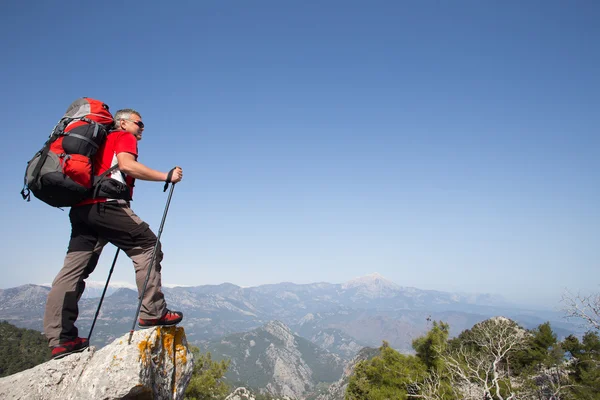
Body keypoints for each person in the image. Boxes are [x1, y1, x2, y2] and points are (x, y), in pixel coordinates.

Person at [43, 108, 184, 358]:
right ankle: (153, 312)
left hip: (82, 210)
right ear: (122, 122)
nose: (142, 128)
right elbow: (128, 166)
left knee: (73, 270)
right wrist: (167, 176)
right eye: (139, 123)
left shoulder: (96, 145)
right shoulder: (121, 136)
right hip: (106, 205)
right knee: (149, 246)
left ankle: (60, 339)